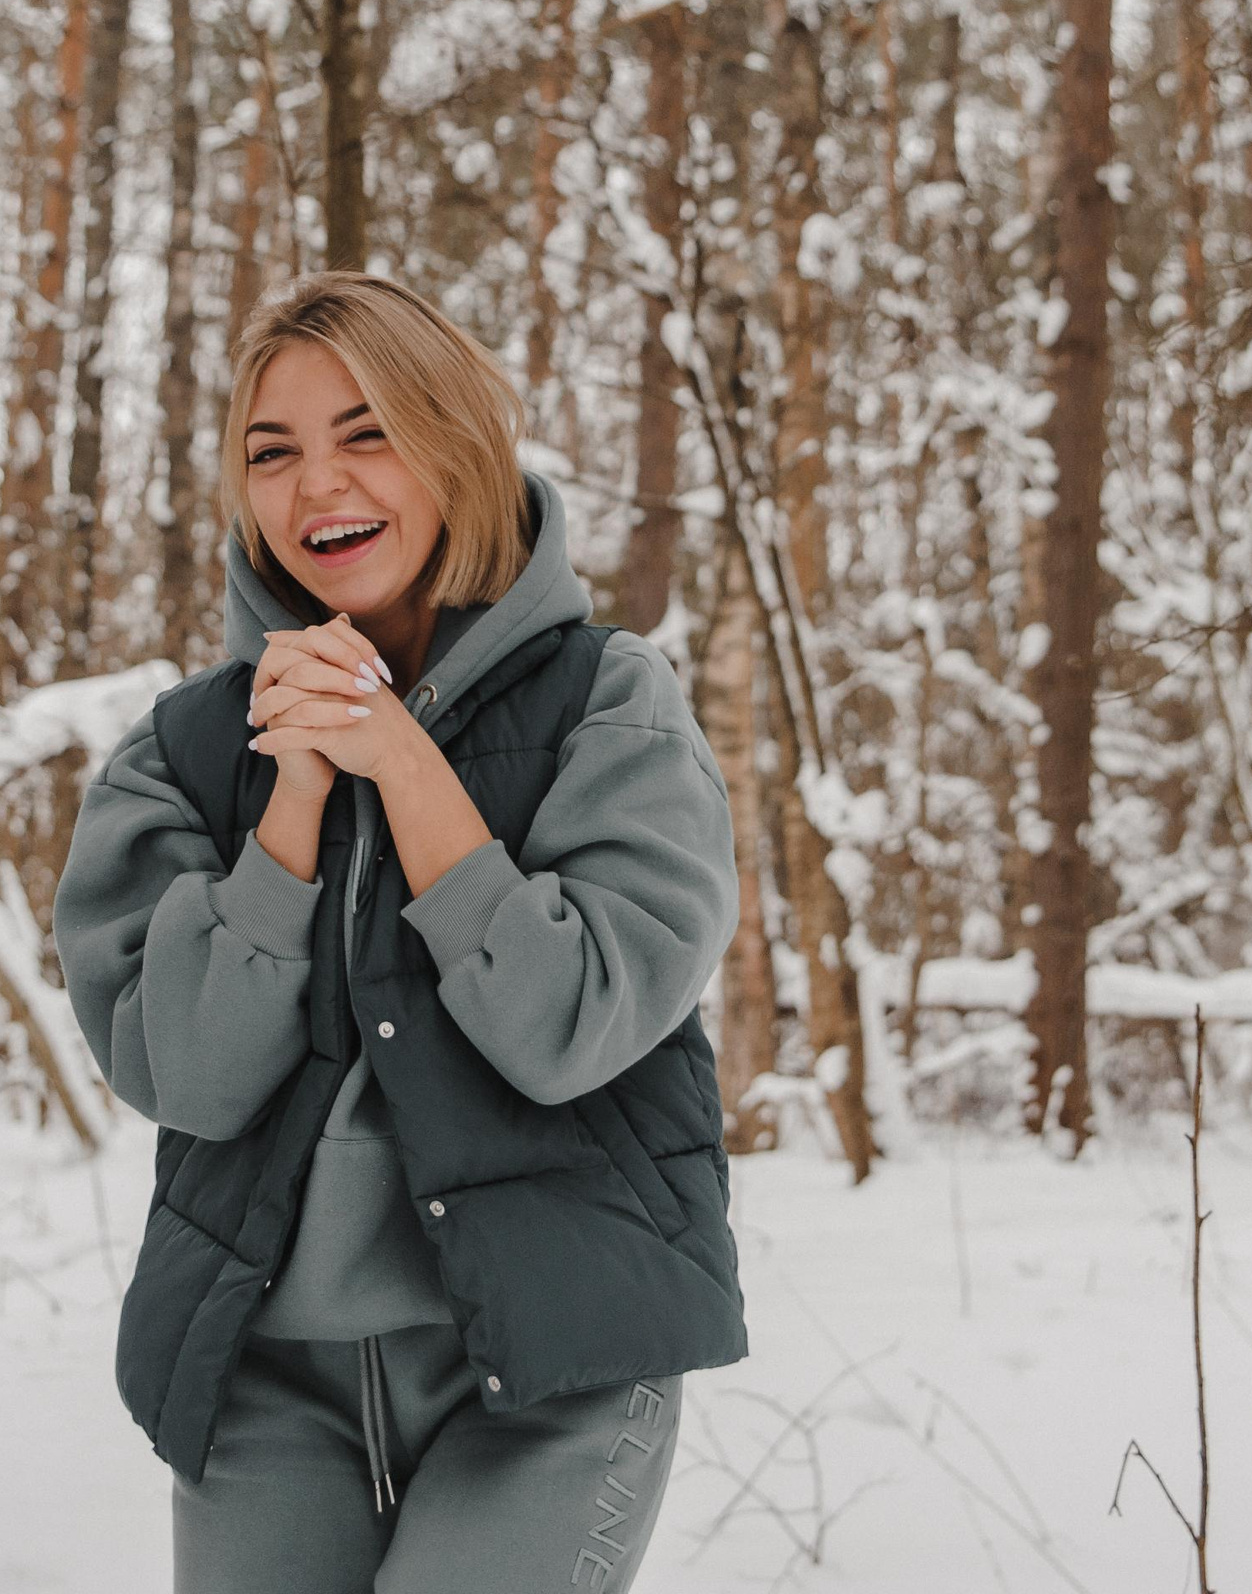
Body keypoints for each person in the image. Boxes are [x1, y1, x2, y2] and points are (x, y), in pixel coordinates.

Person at [54, 274, 748, 1593]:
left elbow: (570, 1027)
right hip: (261, 1374)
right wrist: (294, 798)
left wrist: (405, 765)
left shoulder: (611, 704)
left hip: (553, 1360)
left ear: (456, 441)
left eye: (365, 432)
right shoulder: (181, 754)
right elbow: (185, 1075)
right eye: (273, 451)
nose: (318, 484)